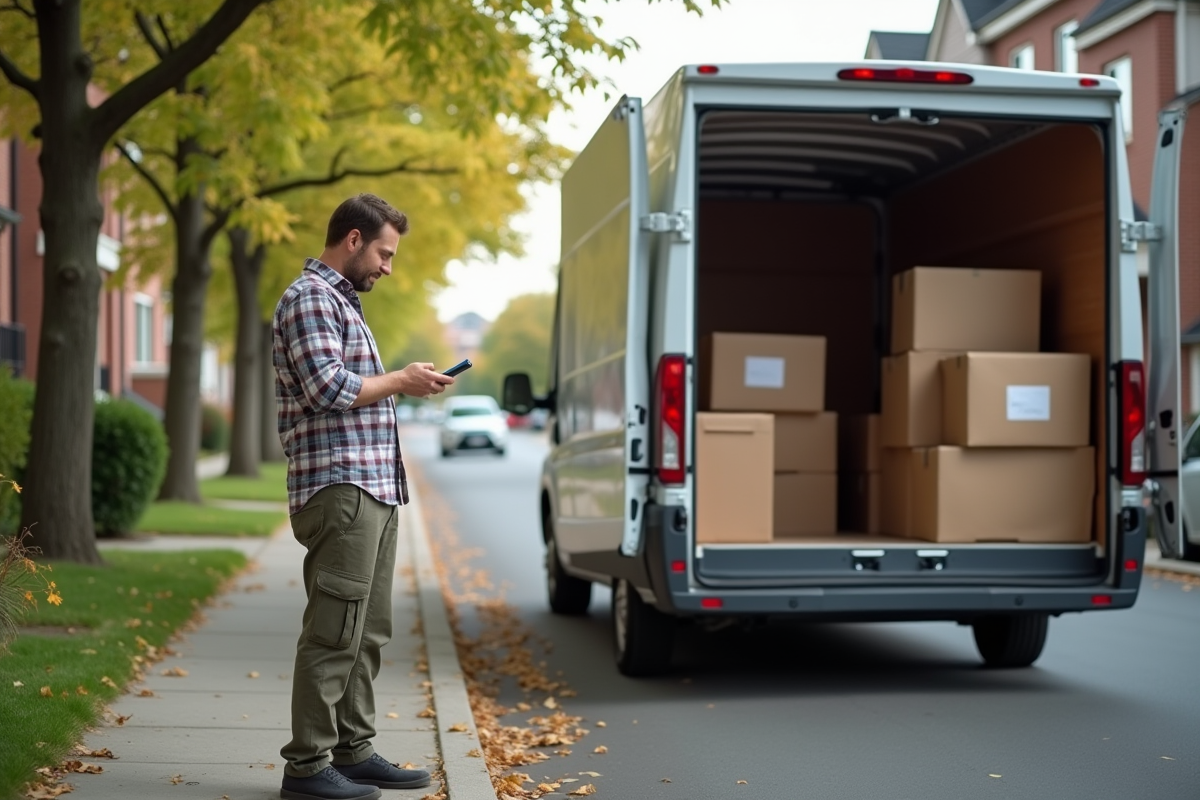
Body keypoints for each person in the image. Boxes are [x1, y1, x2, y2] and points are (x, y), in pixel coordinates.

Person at [272, 193, 452, 800]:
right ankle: (307, 766)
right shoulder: (310, 298)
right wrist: (401, 379)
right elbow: (326, 388)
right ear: (353, 239)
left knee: (366, 631)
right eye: (384, 253)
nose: (387, 267)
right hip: (340, 488)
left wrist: (403, 381)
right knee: (333, 631)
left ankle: (352, 752)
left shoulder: (342, 303)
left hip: (372, 490)